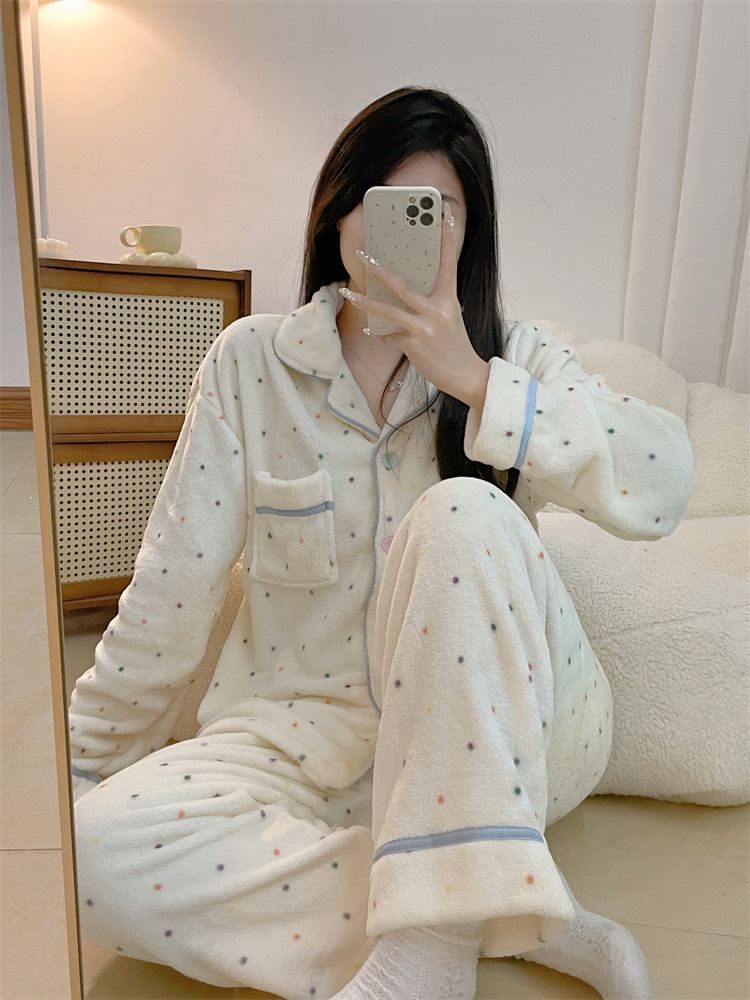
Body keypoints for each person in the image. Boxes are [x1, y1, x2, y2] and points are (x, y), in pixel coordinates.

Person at [69, 87, 693, 1000]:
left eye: (436, 211)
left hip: (501, 743)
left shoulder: (513, 357)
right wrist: (81, 767)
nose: (410, 230)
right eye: (387, 203)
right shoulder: (250, 363)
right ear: (338, 217)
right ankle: (493, 911)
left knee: (461, 512)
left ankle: (429, 955)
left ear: (467, 235)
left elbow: (663, 479)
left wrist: (476, 383)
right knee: (89, 853)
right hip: (300, 738)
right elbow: (171, 590)